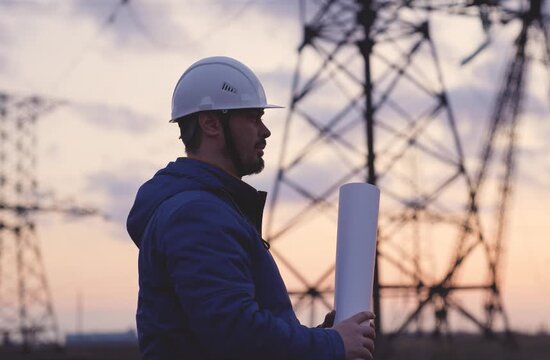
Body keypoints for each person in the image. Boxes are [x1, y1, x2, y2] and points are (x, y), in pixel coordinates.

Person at [127, 56, 376, 360]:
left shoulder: (205, 207)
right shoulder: (196, 215)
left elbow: (231, 332)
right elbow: (236, 335)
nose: (265, 131)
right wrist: (332, 345)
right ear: (210, 123)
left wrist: (320, 339)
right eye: (252, 117)